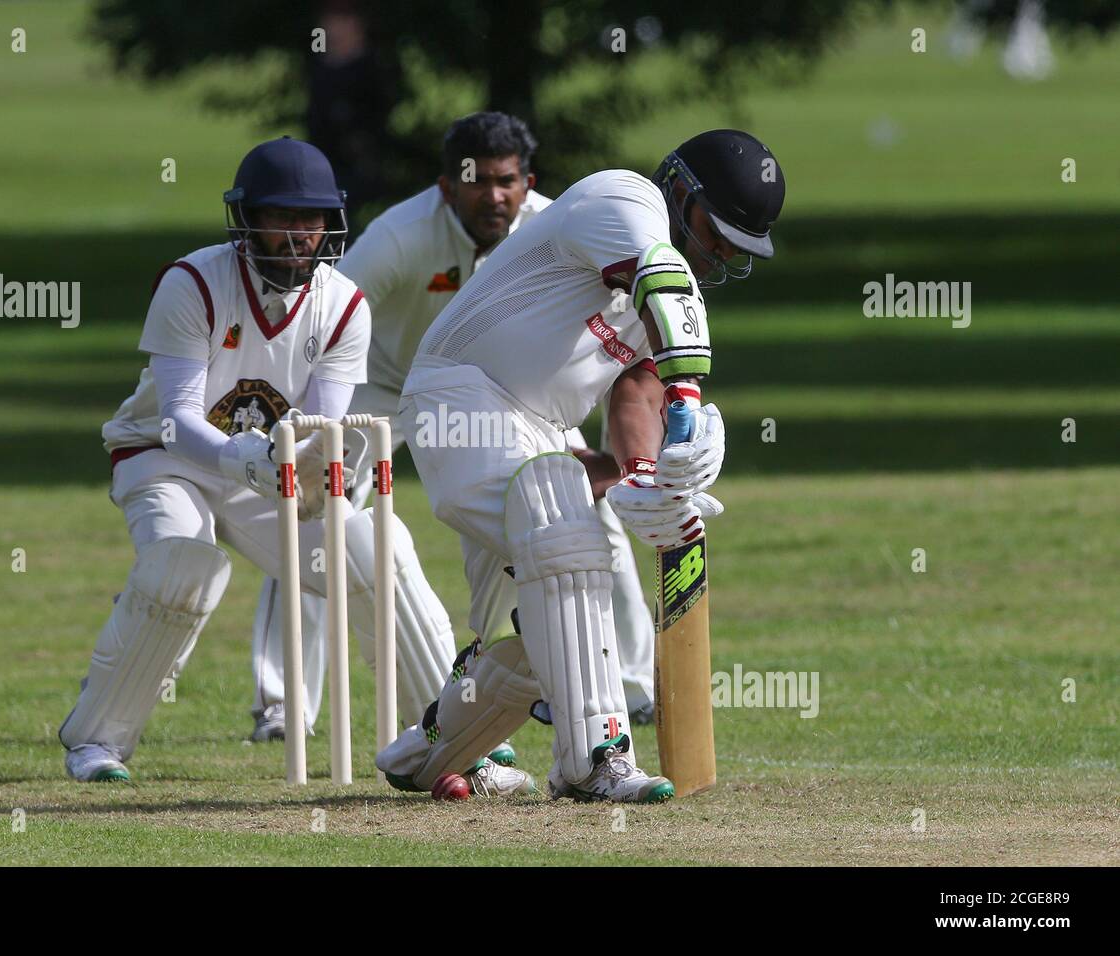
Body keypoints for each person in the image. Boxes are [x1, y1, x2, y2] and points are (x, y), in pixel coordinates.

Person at [376, 129, 786, 803]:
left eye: (734, 251)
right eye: (716, 235)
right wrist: (690, 397)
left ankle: (428, 754)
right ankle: (594, 762)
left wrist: (656, 474)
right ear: (682, 193)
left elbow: (636, 394)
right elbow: (662, 282)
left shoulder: (668, 293)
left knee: (545, 639)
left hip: (540, 431)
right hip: (460, 394)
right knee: (569, 542)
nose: (717, 257)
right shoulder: (622, 199)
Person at [249, 113, 659, 776]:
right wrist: (311, 408)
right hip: (383, 385)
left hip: (516, 394)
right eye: (476, 182)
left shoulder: (569, 225)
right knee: (313, 514)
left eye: (507, 182)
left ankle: (627, 690)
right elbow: (332, 309)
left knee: (586, 517)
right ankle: (281, 703)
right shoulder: (403, 235)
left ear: (529, 184)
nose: (493, 196)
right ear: (447, 187)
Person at [59, 138, 474, 787]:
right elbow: (175, 417)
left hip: (263, 473)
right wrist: (240, 459)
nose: (299, 235)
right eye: (282, 217)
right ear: (246, 219)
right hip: (164, 456)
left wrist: (311, 467)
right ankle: (96, 743)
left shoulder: (344, 306)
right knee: (182, 563)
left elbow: (322, 425)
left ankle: (458, 734)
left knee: (375, 547)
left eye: (310, 220)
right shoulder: (192, 282)